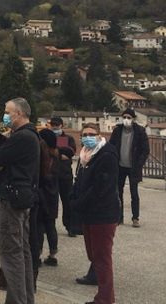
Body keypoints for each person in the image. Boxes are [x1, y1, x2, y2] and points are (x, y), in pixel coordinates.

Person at [0, 98, 39, 304]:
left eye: (8, 112)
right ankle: (25, 298)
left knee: (11, 253)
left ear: (18, 113)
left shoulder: (22, 137)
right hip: (22, 196)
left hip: (11, 197)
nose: (5, 115)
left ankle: (18, 300)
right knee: (22, 251)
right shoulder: (29, 135)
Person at [71, 123, 120, 304]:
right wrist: (73, 196)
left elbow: (101, 186)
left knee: (102, 257)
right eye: (85, 134)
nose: (88, 137)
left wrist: (79, 202)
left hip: (103, 214)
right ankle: (101, 292)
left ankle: (105, 299)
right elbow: (80, 180)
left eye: (92, 134)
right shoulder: (85, 155)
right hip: (89, 213)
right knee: (94, 255)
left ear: (99, 135)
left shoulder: (107, 154)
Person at [109, 108, 149, 227]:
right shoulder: (117, 130)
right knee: (118, 192)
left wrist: (139, 164)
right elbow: (111, 146)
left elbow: (145, 150)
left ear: (133, 119)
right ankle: (119, 217)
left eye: (128, 117)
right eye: (124, 117)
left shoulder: (140, 131)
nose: (126, 119)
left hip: (133, 167)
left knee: (134, 193)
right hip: (120, 166)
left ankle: (135, 218)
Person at [49, 117, 77, 236]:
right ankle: (49, 226)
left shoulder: (67, 138)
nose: (55, 127)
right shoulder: (48, 137)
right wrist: (60, 154)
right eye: (53, 125)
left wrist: (57, 153)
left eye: (57, 125)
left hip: (65, 175)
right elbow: (49, 153)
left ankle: (70, 226)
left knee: (67, 202)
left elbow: (70, 152)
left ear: (61, 125)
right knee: (51, 202)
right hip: (51, 175)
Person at [37, 129, 60, 267]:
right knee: (51, 225)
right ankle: (52, 254)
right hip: (53, 196)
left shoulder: (42, 157)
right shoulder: (57, 156)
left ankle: (37, 253)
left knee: (39, 226)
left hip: (42, 195)